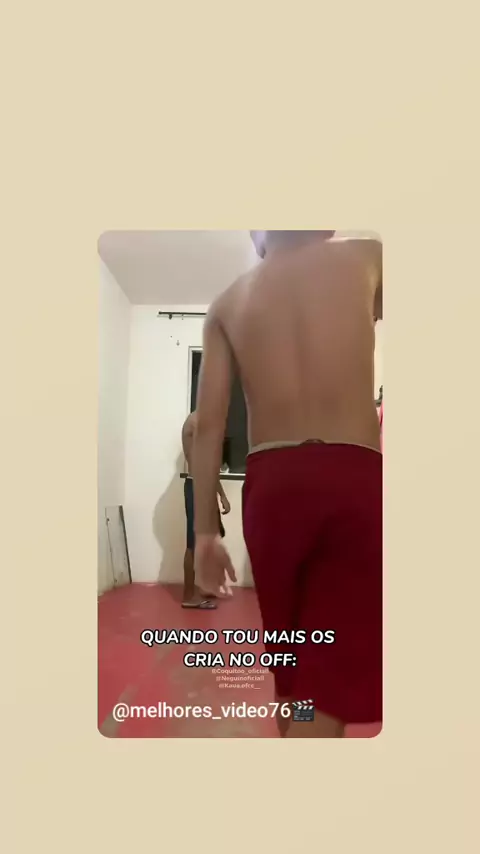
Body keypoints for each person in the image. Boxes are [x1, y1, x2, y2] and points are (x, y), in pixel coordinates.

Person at [191, 230, 382, 738]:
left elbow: (207, 426)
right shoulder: (367, 258)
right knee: (329, 680)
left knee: (293, 668)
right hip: (354, 474)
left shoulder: (227, 303)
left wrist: (205, 535)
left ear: (258, 235)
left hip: (272, 486)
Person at [181, 411, 230, 609]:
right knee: (194, 544)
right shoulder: (196, 421)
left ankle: (203, 587)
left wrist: (220, 494)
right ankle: (189, 596)